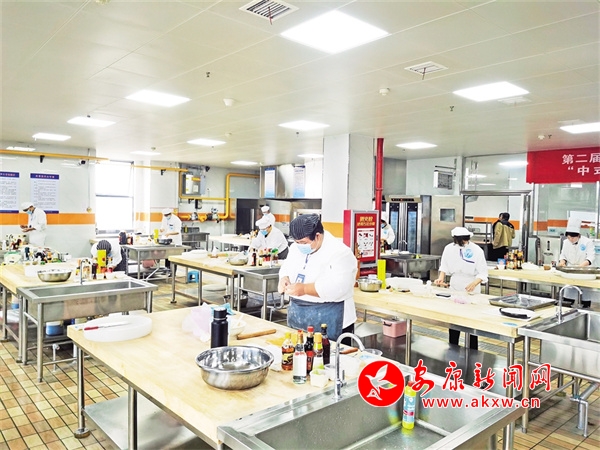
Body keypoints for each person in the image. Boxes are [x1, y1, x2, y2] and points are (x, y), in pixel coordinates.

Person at [278, 215, 357, 341]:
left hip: (330, 317)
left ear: (318, 236)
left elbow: (339, 287)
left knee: (327, 352)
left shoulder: (340, 252)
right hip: (298, 315)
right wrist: (284, 278)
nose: (299, 246)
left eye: (303, 243)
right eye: (297, 242)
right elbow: (286, 268)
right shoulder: (295, 248)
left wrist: (304, 289)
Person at [434, 226, 488, 350]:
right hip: (455, 285)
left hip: (472, 287)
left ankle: (473, 349)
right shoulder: (449, 248)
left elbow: (483, 272)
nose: (463, 242)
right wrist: (441, 278)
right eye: (461, 240)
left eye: (465, 240)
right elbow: (444, 266)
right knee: (454, 319)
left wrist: (474, 283)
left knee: (471, 321)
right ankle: (453, 347)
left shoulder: (477, 250)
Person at [160, 208, 182, 273]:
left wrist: (169, 233)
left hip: (175, 241)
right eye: (165, 215)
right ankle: (166, 270)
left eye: (167, 215)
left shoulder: (176, 220)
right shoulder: (165, 218)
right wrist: (162, 229)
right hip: (168, 240)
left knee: (173, 257)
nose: (166, 216)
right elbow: (163, 226)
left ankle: (173, 273)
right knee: (167, 255)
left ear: (170, 214)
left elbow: (177, 231)